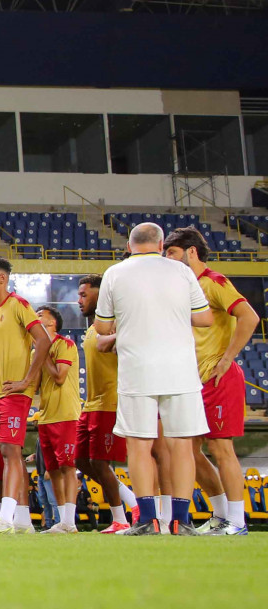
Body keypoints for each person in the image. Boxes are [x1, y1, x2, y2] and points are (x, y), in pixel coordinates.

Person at [94, 222, 212, 535]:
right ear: (161, 244)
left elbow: (103, 329)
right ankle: (182, 521)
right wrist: (169, 313)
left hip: (137, 370)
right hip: (180, 370)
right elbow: (205, 318)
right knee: (182, 446)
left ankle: (147, 520)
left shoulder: (115, 273)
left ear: (130, 245)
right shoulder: (181, 271)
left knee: (139, 445)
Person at [164, 226, 260, 535]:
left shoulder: (214, 282)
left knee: (221, 448)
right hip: (192, 382)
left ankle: (237, 520)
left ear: (191, 252)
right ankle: (220, 514)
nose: (168, 259)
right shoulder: (185, 288)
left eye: (172, 253)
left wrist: (228, 358)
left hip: (218, 378)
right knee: (189, 451)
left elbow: (250, 317)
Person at [0, 257, 53, 535]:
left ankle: (4, 518)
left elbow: (43, 340)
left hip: (15, 393)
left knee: (10, 452)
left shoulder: (18, 304)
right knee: (11, 455)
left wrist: (27, 381)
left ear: (2, 279)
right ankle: (22, 520)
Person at [76, 274, 137, 534]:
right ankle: (131, 501)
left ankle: (120, 519)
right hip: (91, 404)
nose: (78, 300)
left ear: (100, 297)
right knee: (79, 460)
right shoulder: (93, 328)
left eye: (84, 295)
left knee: (100, 462)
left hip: (111, 402)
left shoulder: (116, 325)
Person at [33, 305, 83, 534]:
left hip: (65, 414)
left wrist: (42, 354)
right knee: (52, 470)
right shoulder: (36, 352)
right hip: (45, 416)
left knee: (67, 466)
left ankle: (70, 521)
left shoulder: (66, 345)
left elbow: (60, 377)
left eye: (40, 316)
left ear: (52, 323)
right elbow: (34, 386)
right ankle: (62, 520)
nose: (35, 319)